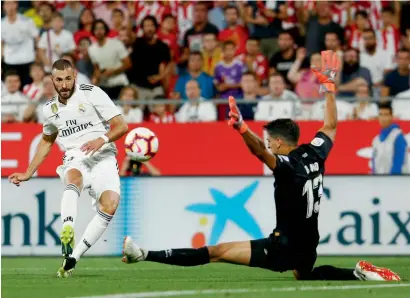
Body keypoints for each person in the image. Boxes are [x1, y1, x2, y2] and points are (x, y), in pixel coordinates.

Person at [121, 50, 401, 282]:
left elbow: (259, 153)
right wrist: (328, 86)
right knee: (304, 275)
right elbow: (330, 125)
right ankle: (358, 274)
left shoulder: (288, 166)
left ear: (279, 143)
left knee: (216, 251)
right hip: (309, 246)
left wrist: (242, 128)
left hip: (283, 247)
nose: (268, 144)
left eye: (270, 141)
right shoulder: (314, 153)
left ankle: (143, 254)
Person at [8, 59, 129, 278]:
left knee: (110, 205)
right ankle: (68, 230)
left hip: (103, 156)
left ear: (74, 77)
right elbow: (46, 141)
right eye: (59, 80)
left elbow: (122, 125)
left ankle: (73, 258)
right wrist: (28, 172)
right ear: (52, 81)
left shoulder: (92, 93)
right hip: (76, 155)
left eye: (68, 79)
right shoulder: (50, 109)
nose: (64, 85)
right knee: (73, 178)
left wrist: (101, 139)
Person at [88, 19, 132, 99]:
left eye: (101, 28)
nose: (99, 31)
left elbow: (128, 64)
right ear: (93, 31)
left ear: (106, 30)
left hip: (119, 83)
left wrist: (113, 72)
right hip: (103, 85)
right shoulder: (91, 49)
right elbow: (96, 69)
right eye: (96, 29)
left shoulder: (116, 43)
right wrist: (96, 77)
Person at [372, 102, 409, 175]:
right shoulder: (375, 140)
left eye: (386, 115)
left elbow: (398, 164)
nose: (383, 118)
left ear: (391, 117)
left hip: (395, 182)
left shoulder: (398, 137)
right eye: (380, 114)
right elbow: (374, 165)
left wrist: (390, 183)